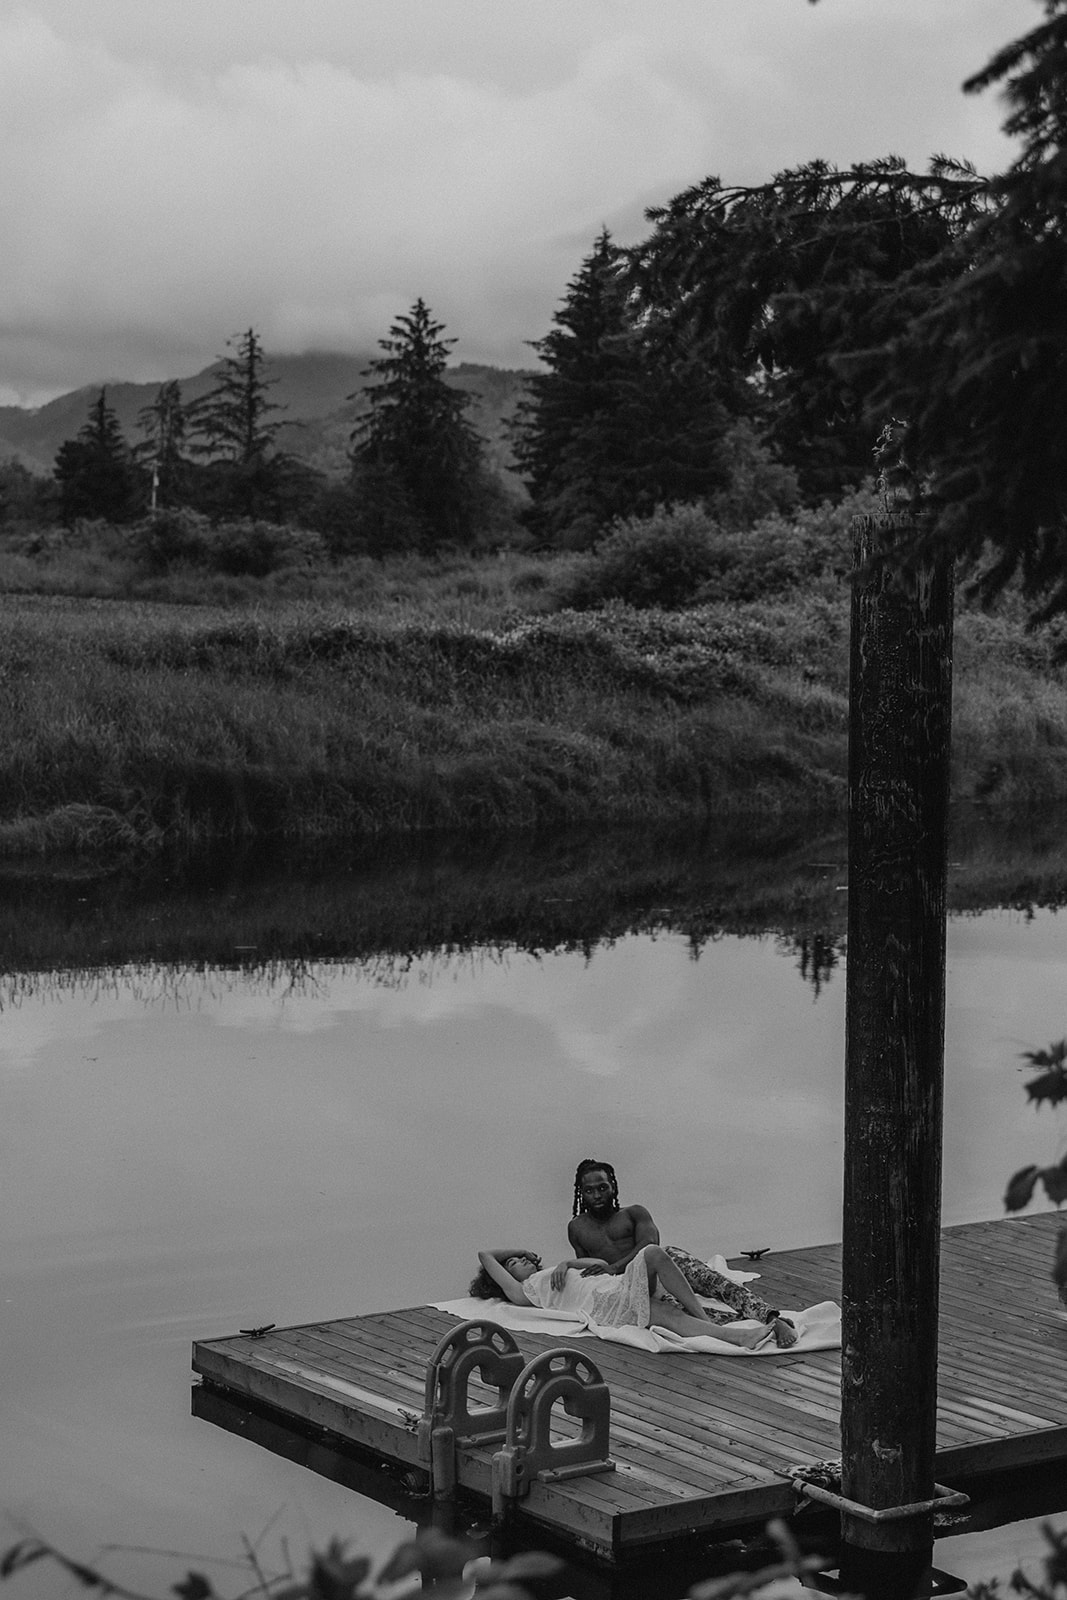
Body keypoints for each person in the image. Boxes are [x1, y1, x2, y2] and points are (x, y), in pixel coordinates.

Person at [567, 1158, 797, 1347]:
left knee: (718, 1285)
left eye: (602, 1188)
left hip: (665, 1264)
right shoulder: (577, 1228)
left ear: (613, 1187)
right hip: (635, 1285)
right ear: (581, 1193)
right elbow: (585, 1269)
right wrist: (564, 1266)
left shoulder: (634, 1213)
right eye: (589, 1190)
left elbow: (649, 1244)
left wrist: (615, 1266)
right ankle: (760, 1328)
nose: (597, 1195)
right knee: (689, 1314)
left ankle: (771, 1317)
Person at [469, 1244, 787, 1347]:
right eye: (514, 1264)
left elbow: (600, 1265)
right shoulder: (523, 1291)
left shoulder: (553, 1270)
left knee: (654, 1253)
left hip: (616, 1286)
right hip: (604, 1305)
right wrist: (514, 1251)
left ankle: (702, 1320)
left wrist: (567, 1262)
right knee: (660, 1312)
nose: (523, 1261)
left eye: (524, 1258)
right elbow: (486, 1254)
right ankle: (736, 1338)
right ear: (506, 1277)